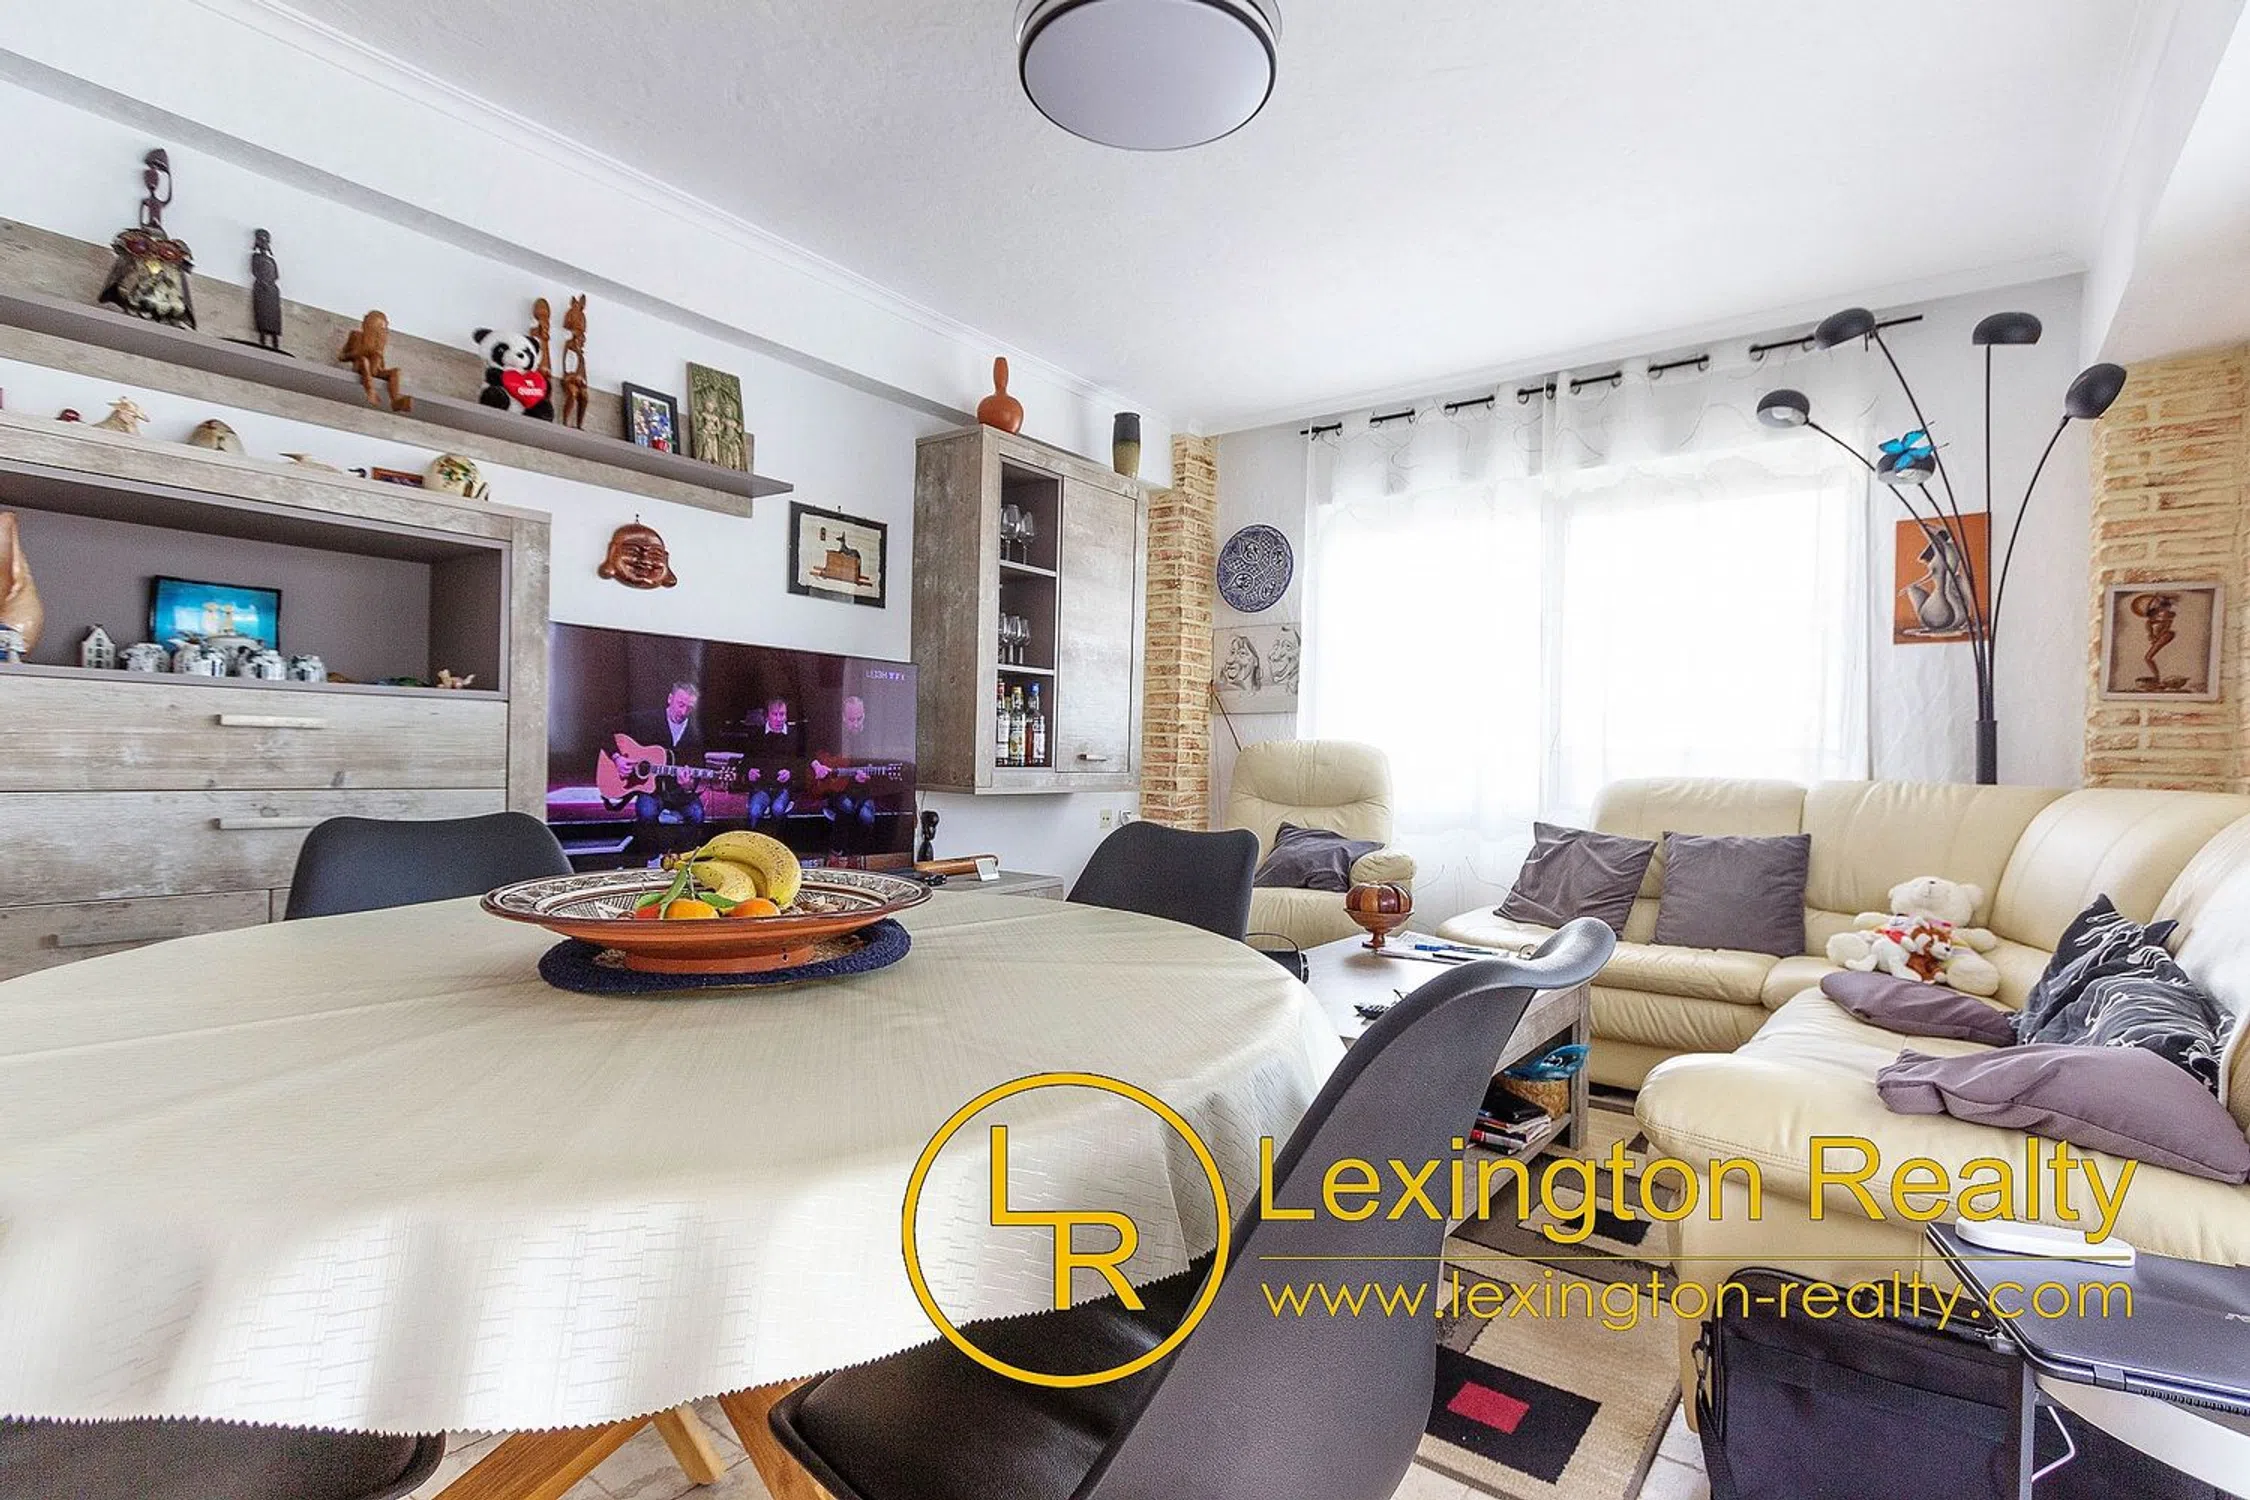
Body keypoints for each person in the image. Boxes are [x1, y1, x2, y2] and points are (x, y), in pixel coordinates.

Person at [618, 680, 709, 825]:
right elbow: (606, 730)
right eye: (680, 704)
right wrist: (617, 758)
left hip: (679, 795)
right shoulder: (647, 720)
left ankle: (680, 836)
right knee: (647, 813)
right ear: (670, 699)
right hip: (651, 792)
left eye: (689, 708)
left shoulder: (696, 733)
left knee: (697, 815)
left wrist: (687, 786)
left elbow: (696, 769)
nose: (683, 712)